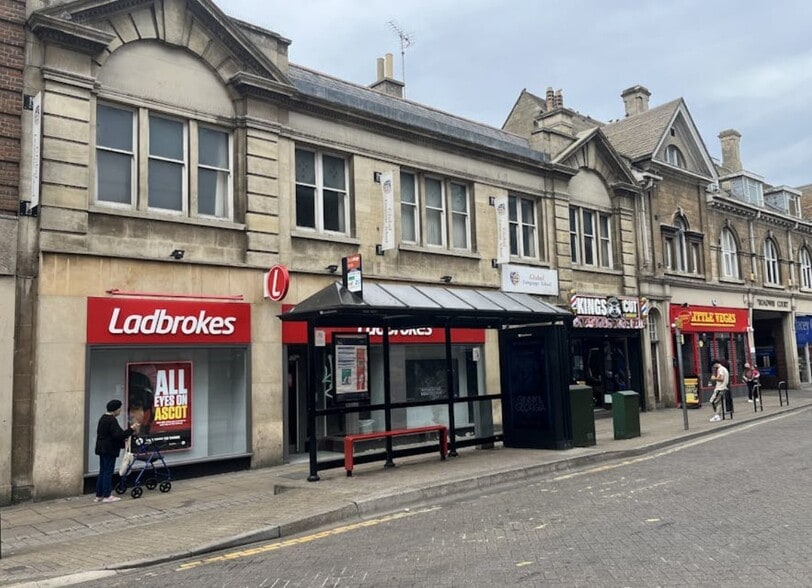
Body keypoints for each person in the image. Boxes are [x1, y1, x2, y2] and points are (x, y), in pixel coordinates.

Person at [94, 399, 139, 503]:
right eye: (119, 409)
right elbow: (118, 435)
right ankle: (107, 495)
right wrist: (131, 429)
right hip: (109, 449)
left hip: (101, 448)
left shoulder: (103, 418)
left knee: (102, 471)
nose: (120, 411)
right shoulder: (111, 420)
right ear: (115, 409)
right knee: (108, 471)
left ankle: (99, 495)